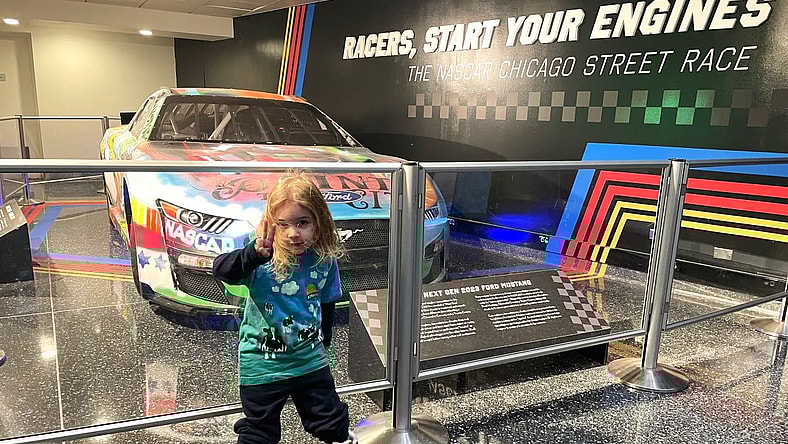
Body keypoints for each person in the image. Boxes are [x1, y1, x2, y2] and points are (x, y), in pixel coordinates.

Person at [212, 171, 357, 444]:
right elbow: (222, 270)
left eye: (303, 222)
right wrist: (253, 254)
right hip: (262, 364)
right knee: (259, 432)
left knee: (331, 423)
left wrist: (325, 338)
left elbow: (328, 301)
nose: (293, 233)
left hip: (309, 360)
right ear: (271, 225)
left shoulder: (323, 259)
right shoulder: (259, 257)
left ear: (319, 222)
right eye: (283, 224)